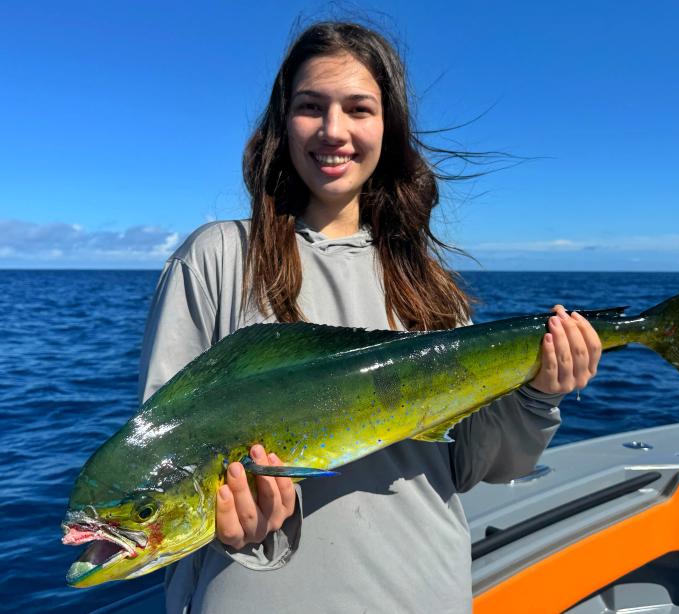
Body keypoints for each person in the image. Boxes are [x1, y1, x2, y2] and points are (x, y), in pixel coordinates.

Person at [138, 21, 602, 614]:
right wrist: (232, 520)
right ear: (283, 123)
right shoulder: (217, 258)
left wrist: (539, 397)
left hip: (425, 592)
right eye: (311, 107)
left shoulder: (427, 286)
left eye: (359, 108)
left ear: (389, 127)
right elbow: (155, 471)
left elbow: (470, 465)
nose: (334, 130)